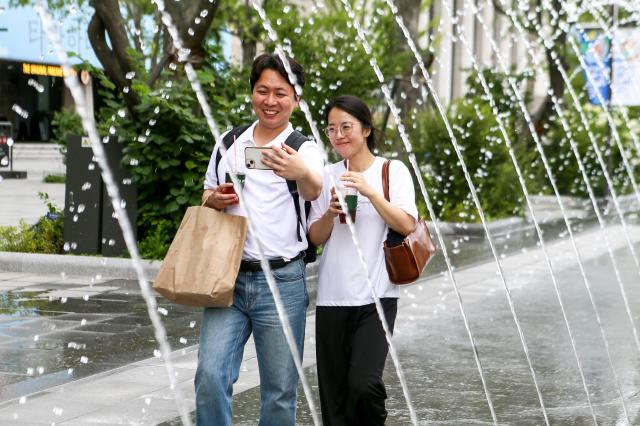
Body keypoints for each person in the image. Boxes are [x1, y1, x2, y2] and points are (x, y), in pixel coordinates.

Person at [196, 53, 323, 426]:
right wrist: (214, 198)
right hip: (229, 278)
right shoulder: (230, 141)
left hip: (283, 283)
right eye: (263, 90)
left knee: (280, 392)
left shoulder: (305, 148)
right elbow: (205, 194)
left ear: (296, 99)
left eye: (281, 93)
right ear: (252, 92)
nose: (271, 100)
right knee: (210, 377)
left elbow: (315, 190)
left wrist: (301, 171)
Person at [308, 95, 418, 425]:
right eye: (331, 129)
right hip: (332, 297)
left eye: (347, 127)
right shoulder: (326, 175)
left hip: (377, 296)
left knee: (365, 384)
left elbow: (406, 223)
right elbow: (315, 237)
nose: (339, 135)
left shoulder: (391, 170)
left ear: (366, 129)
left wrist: (370, 192)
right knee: (334, 394)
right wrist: (329, 212)